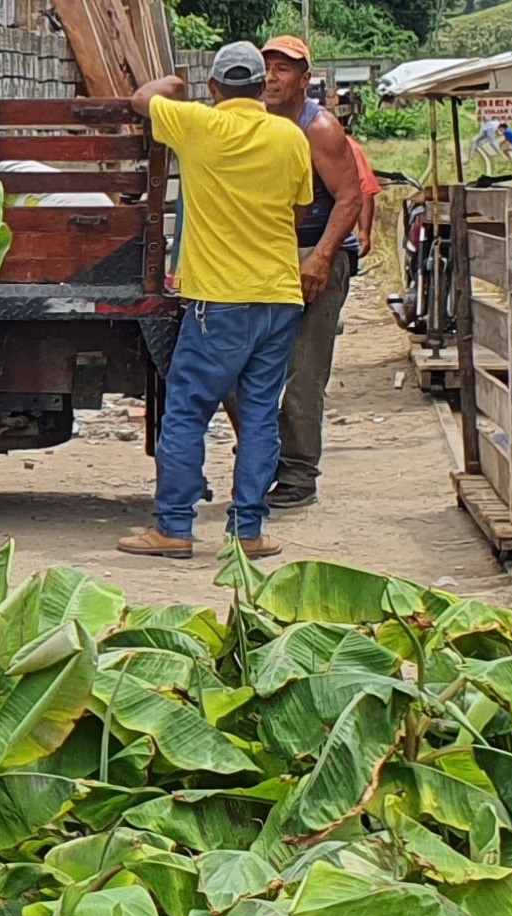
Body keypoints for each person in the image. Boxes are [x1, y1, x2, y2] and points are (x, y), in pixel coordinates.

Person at [119, 44, 310, 561]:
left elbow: (144, 97)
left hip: (218, 301)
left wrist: (177, 87)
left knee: (185, 413)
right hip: (278, 296)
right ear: (259, 89)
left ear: (215, 88)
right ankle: (247, 532)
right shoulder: (290, 136)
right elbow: (297, 210)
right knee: (259, 417)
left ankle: (174, 527)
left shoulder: (196, 125)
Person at [258, 35, 372, 512]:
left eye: (283, 69)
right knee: (250, 369)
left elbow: (350, 196)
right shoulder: (256, 123)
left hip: (316, 254)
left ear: (304, 80)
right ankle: (264, 463)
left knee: (304, 374)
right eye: (267, 67)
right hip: (271, 257)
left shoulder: (318, 127)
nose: (271, 77)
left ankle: (299, 475)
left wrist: (322, 257)